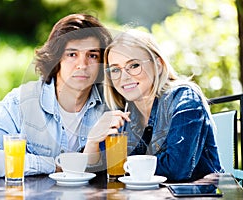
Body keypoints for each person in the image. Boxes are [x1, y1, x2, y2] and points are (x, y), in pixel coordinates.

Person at [0, 13, 112, 178]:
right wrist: (52, 165)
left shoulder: (110, 105)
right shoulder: (21, 102)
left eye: (92, 56)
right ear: (56, 59)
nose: (82, 65)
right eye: (72, 54)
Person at [85, 29, 223, 182]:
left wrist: (122, 164)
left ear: (158, 65)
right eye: (116, 69)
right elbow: (99, 172)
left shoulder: (184, 100)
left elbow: (176, 169)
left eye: (134, 65)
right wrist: (92, 141)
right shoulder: (124, 112)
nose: (124, 77)